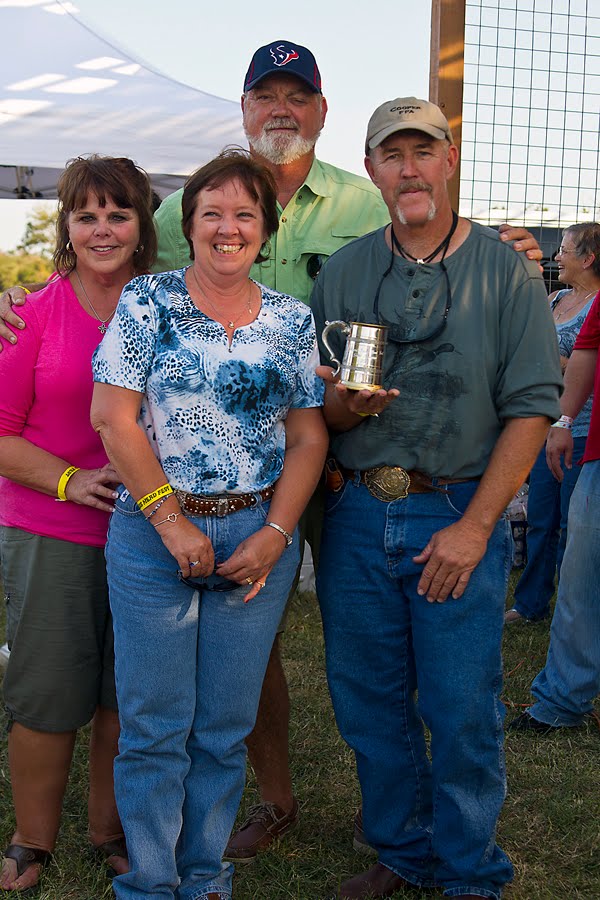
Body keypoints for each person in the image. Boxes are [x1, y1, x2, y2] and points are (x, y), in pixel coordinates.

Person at [0, 39, 544, 862]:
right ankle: (269, 804)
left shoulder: (371, 206)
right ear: (247, 108)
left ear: (322, 113)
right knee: (286, 665)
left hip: (331, 461)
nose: (281, 109)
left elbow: (447, 254)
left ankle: (426, 842)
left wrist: (509, 253)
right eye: (266, 96)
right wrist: (26, 298)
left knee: (379, 665)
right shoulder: (182, 218)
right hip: (214, 483)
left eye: (299, 96)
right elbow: (119, 280)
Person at [311, 97, 562, 900]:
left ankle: (469, 871)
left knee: (459, 707)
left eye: (424, 152)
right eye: (393, 155)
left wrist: (477, 528)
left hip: (455, 510)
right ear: (374, 169)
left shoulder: (506, 269)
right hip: (356, 510)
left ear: (449, 161)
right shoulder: (347, 269)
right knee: (368, 701)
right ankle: (402, 850)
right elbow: (321, 406)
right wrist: (349, 406)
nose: (409, 169)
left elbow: (532, 407)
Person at [89, 148, 328, 900]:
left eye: (245, 215)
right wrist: (170, 523)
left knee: (223, 727)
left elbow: (308, 436)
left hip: (255, 533)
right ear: (188, 226)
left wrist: (277, 534)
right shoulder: (146, 302)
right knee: (156, 726)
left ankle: (205, 878)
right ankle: (150, 885)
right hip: (154, 535)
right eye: (212, 214)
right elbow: (112, 418)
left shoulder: (291, 319)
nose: (229, 228)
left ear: (266, 229)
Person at [0, 155, 158, 895]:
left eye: (118, 213)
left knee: (124, 695)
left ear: (141, 226)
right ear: (67, 224)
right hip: (50, 530)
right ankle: (32, 839)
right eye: (87, 214)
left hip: (149, 533)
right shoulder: (29, 314)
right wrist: (70, 480)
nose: (102, 228)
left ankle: (110, 831)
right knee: (48, 692)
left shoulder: (165, 310)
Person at [510, 288, 600, 732]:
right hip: (595, 454)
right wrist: (563, 422)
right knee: (579, 582)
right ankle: (562, 701)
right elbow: (586, 351)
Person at [505, 223, 600, 625]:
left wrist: (550, 361)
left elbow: (581, 364)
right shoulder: (556, 298)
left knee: (572, 527)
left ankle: (569, 611)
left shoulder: (597, 305)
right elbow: (525, 342)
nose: (557, 256)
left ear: (588, 258)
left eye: (563, 250)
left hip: (583, 429)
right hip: (546, 429)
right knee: (542, 520)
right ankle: (530, 604)